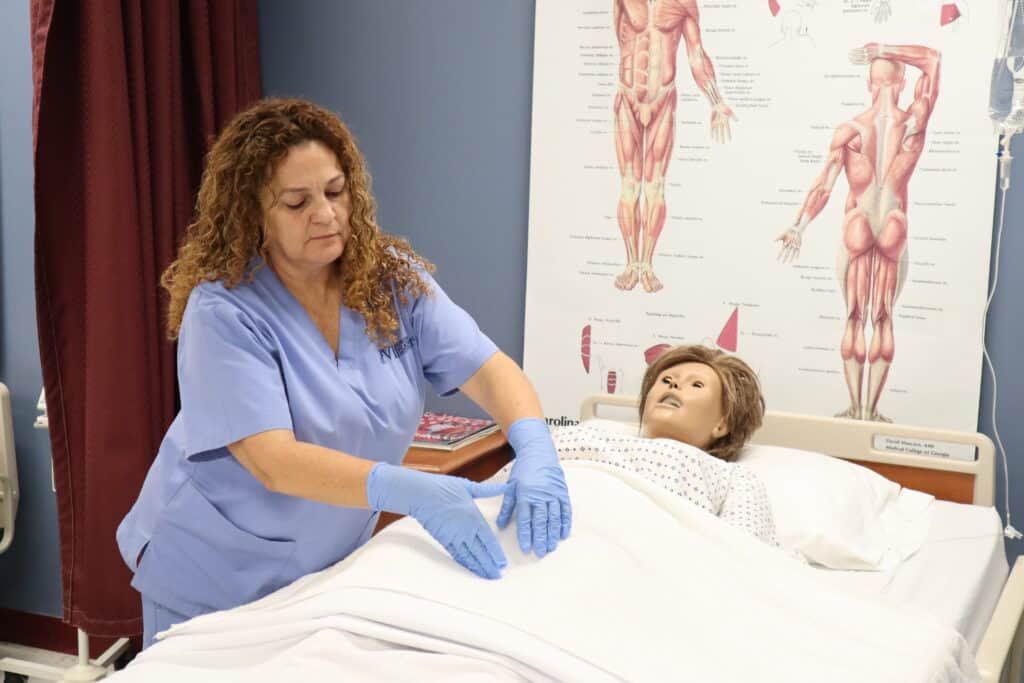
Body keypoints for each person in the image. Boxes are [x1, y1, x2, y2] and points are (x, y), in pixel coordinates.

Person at [116, 98, 572, 648]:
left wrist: (535, 445)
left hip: (323, 563)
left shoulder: (390, 280)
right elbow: (273, 461)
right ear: (252, 213)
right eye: (297, 202)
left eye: (335, 191)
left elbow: (488, 368)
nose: (326, 214)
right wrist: (411, 490)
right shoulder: (224, 311)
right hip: (214, 567)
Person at [776, 43, 940, 422]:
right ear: (902, 83)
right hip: (894, 221)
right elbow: (932, 59)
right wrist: (882, 48)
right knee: (883, 316)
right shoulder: (915, 121)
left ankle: (853, 408)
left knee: (853, 315)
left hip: (858, 221)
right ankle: (871, 410)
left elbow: (824, 185)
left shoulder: (850, 130)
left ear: (869, 84)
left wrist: (799, 225)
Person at [551, 345, 776, 543]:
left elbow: (745, 550)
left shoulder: (733, 477)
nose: (675, 385)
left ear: (722, 423)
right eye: (666, 380)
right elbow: (534, 459)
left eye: (696, 385)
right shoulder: (587, 436)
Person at [613, 0, 736, 293]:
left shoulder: (683, 4)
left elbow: (696, 55)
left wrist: (716, 101)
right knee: (630, 185)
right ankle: (632, 264)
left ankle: (647, 264)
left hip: (663, 100)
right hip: (627, 99)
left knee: (655, 186)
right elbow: (621, 40)